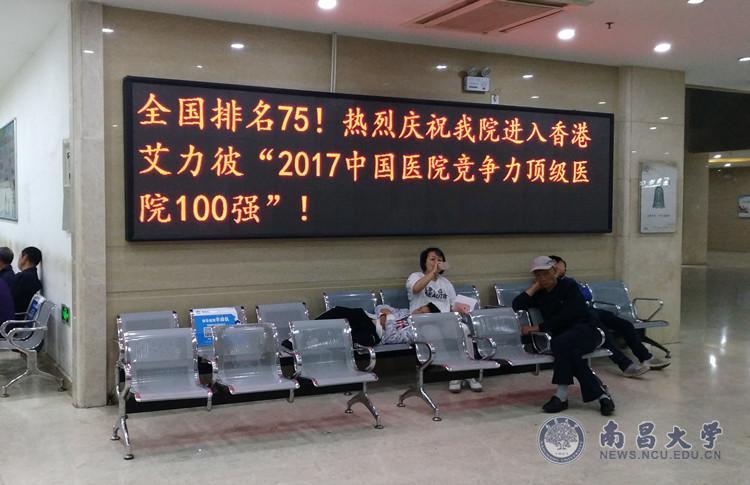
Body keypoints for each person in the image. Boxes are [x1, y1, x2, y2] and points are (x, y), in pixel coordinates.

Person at [513, 256, 615, 416]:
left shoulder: (569, 286)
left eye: (545, 273)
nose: (542, 278)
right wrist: (535, 287)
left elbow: (569, 315)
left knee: (560, 344)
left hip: (588, 332)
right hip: (565, 340)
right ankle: (600, 395)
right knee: (569, 351)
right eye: (538, 275)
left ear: (555, 271)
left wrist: (538, 327)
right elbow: (517, 305)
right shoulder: (540, 294)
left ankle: (561, 396)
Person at [548, 255, 670, 376]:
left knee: (624, 324)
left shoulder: (570, 281)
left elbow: (587, 295)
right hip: (576, 316)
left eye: (561, 265)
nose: (560, 267)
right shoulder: (550, 285)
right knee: (602, 330)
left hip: (589, 310)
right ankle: (626, 365)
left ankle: (646, 357)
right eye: (556, 265)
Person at [407, 247, 478, 393]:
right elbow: (416, 289)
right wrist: (432, 273)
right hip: (423, 320)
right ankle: (454, 373)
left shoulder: (445, 283)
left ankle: (468, 372)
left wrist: (461, 308)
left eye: (439, 260)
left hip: (446, 319)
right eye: (432, 259)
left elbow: (452, 306)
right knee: (438, 333)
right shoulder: (415, 276)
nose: (436, 262)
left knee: (464, 329)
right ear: (424, 262)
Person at [11, 246, 43, 314]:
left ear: (25, 258)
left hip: (14, 316)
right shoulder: (33, 276)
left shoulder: (22, 277)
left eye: (19, 257)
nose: (18, 260)